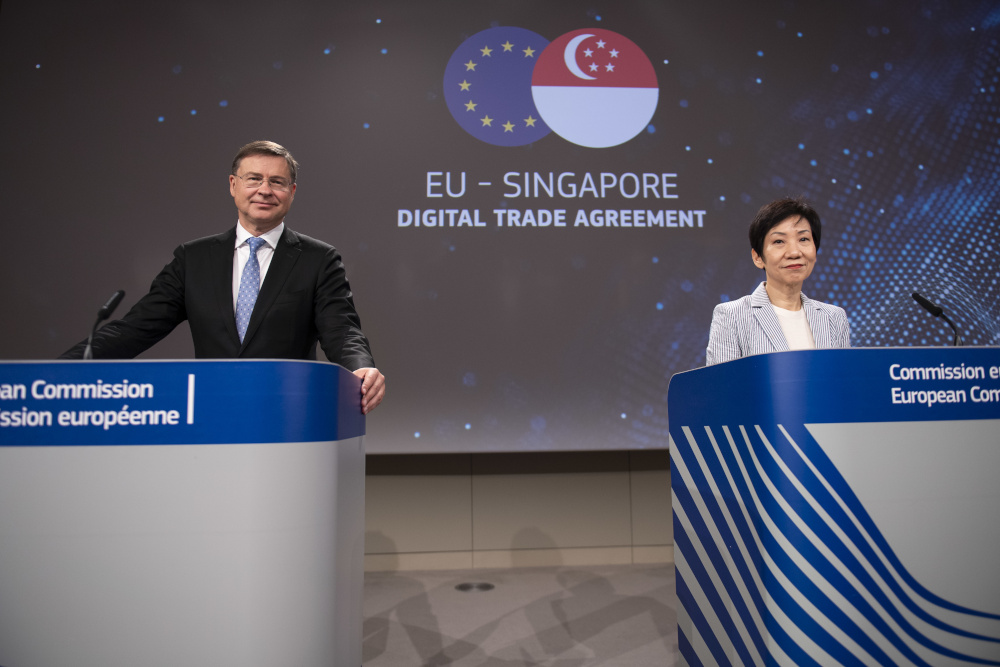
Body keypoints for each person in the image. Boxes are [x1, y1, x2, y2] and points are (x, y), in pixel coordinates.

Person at [61, 140, 385, 414]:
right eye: (254, 179)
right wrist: (59, 371)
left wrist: (361, 366)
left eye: (277, 182)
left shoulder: (319, 259)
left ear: (292, 191)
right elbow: (135, 328)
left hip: (286, 414)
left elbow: (342, 330)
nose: (265, 190)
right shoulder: (193, 259)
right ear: (233, 185)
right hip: (209, 413)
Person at [705, 197, 850, 366]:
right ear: (758, 257)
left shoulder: (834, 317)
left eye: (803, 239)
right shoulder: (732, 316)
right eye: (779, 241)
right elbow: (723, 382)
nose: (794, 252)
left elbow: (843, 379)